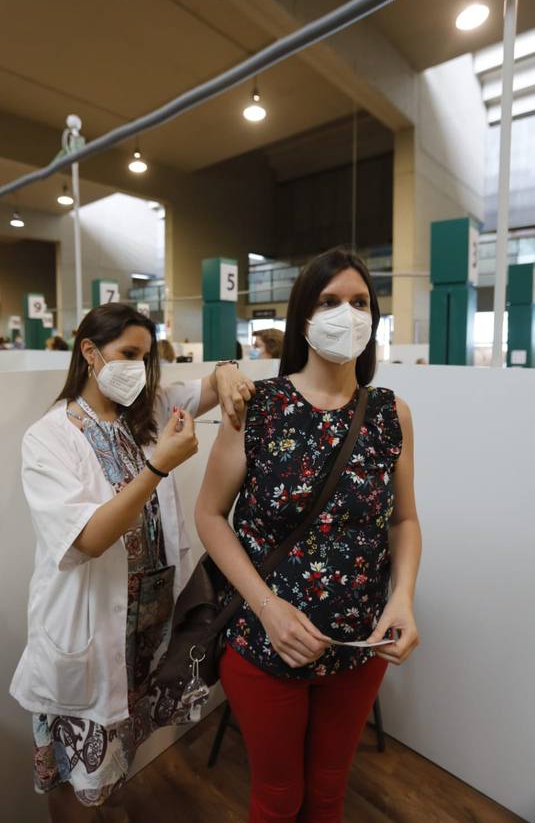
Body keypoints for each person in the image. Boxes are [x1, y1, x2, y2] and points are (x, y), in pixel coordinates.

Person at [195, 248, 421, 823]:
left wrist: (402, 598)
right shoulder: (258, 407)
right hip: (265, 639)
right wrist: (267, 607)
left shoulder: (391, 413)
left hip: (359, 641)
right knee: (277, 798)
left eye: (359, 302)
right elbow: (211, 515)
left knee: (327, 792)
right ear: (303, 318)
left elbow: (403, 520)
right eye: (329, 301)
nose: (346, 314)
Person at [10, 303, 254, 821]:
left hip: (146, 630)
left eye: (147, 356)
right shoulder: (50, 437)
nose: (139, 369)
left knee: (121, 751)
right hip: (91, 635)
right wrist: (157, 466)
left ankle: (113, 804)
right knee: (74, 770)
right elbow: (89, 539)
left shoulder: (150, 411)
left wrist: (230, 370)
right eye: (127, 354)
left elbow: (211, 383)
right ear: (90, 352)